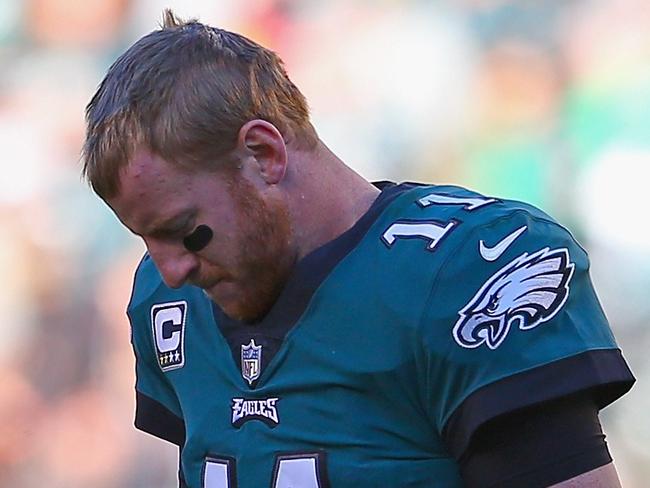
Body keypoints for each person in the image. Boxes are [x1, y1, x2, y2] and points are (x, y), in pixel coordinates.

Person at [82, 10, 635, 488]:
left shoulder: (465, 269)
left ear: (262, 154)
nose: (170, 269)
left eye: (185, 229)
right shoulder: (169, 302)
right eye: (147, 239)